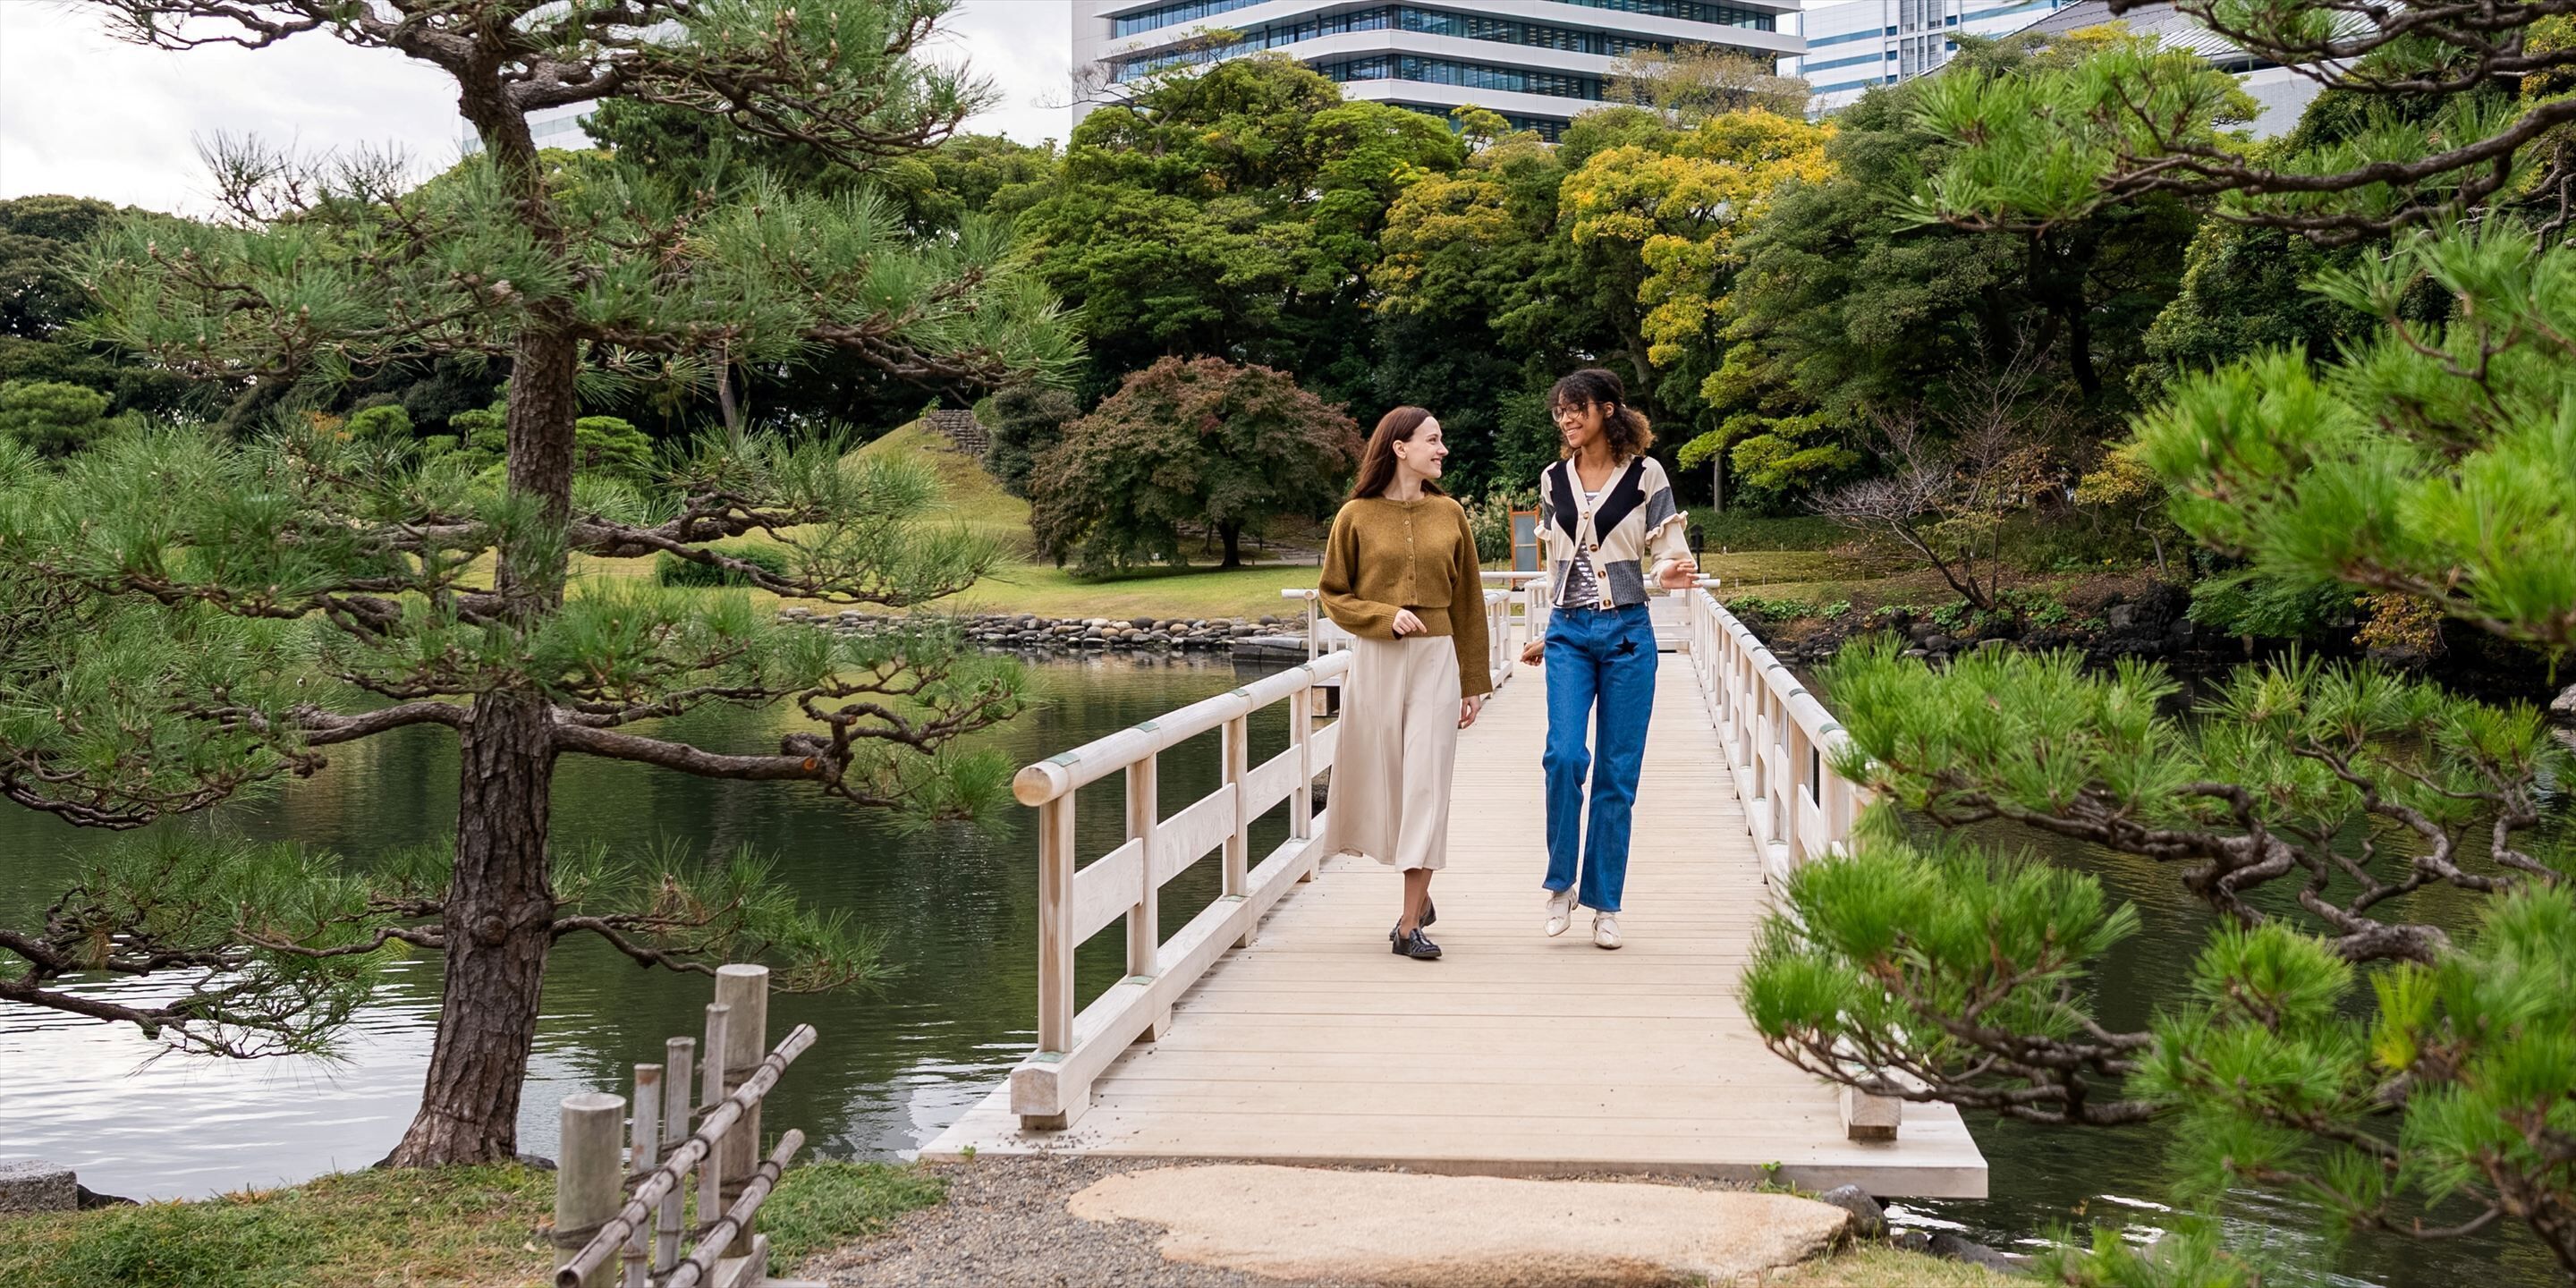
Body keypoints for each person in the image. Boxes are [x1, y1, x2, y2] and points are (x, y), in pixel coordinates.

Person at [1516, 369, 1698, 950]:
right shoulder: (1553, 479)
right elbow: (1556, 566)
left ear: (1608, 410)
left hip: (1627, 635)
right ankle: (1560, 883)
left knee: (1618, 777)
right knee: (1564, 757)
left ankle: (1605, 903)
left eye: (1577, 409)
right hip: (1569, 632)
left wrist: (1673, 571)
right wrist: (1548, 631)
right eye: (1560, 411)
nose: (1567, 419)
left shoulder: (1647, 476)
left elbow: (1668, 554)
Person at [1318, 406, 1492, 962]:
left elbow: (1469, 604)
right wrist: (1382, 616)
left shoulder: (1452, 514)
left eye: (1441, 441)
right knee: (1383, 781)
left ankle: (1408, 923)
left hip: (1437, 661)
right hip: (1377, 660)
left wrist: (1473, 680)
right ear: (1400, 447)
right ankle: (1422, 895)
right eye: (1432, 440)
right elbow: (1333, 594)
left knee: (1426, 783)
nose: (1442, 450)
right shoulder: (1355, 516)